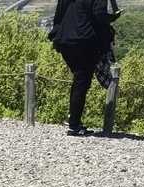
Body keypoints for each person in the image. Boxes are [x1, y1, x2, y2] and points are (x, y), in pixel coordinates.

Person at [49, 0, 119, 136]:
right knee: (82, 81)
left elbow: (59, 15)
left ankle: (73, 120)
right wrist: (112, 18)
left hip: (64, 39)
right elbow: (99, 15)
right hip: (84, 40)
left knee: (79, 80)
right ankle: (74, 124)